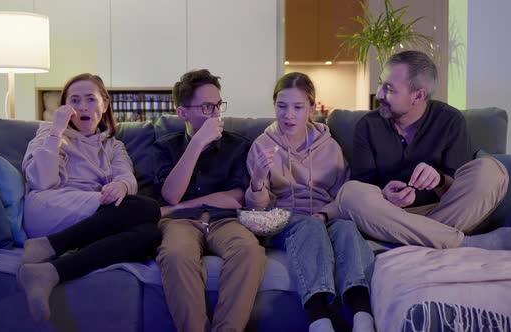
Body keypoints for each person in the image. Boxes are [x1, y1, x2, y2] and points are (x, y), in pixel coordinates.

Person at [17, 73, 162, 322]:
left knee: (150, 235)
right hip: (49, 206)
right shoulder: (50, 133)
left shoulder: (113, 146)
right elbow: (41, 181)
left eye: (90, 99)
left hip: (88, 219)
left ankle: (50, 271)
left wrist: (121, 186)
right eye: (74, 100)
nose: (82, 107)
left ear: (104, 105)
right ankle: (47, 245)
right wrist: (56, 130)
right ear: (65, 107)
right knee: (149, 210)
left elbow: (127, 177)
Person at [336, 50, 511, 250]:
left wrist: (439, 179)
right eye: (380, 83)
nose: (380, 95)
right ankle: (461, 242)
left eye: (390, 89)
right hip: (388, 218)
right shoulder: (367, 126)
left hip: (446, 212)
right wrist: (384, 194)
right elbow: (363, 187)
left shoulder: (449, 120)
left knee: (492, 171)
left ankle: (408, 242)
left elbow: (458, 188)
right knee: (349, 193)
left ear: (418, 95)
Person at [245, 72, 375, 332]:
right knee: (308, 227)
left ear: (311, 109)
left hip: (324, 217)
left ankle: (363, 316)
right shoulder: (262, 146)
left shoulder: (329, 146)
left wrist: (326, 215)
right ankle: (319, 319)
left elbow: (344, 197)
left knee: (347, 229)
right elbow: (257, 210)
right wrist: (258, 179)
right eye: (281, 107)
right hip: (285, 221)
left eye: (297, 107)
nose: (288, 115)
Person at [154, 69, 266, 332]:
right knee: (175, 254)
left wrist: (178, 207)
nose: (216, 114)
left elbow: (237, 198)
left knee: (249, 250)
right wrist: (197, 143)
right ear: (183, 113)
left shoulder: (238, 145)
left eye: (218, 105)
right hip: (180, 224)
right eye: (207, 107)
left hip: (224, 220)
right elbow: (171, 194)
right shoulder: (165, 146)